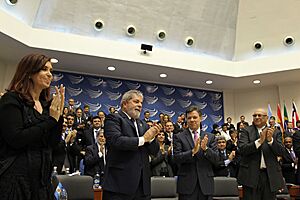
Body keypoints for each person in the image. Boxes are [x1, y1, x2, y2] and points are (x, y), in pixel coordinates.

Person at [0, 54, 65, 200]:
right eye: (44, 69)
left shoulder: (46, 105)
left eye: (51, 70)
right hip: (15, 182)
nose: (50, 74)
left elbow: (52, 143)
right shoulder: (11, 100)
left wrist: (58, 117)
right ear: (29, 72)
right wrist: (50, 120)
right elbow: (16, 138)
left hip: (41, 182)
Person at [102, 90, 162, 200]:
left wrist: (152, 139)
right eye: (136, 101)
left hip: (142, 187)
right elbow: (116, 141)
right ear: (125, 103)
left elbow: (154, 151)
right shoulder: (114, 118)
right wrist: (144, 139)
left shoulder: (143, 124)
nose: (140, 105)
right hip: (119, 186)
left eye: (141, 103)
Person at [173, 105, 219, 200]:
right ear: (186, 119)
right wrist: (192, 152)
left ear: (201, 118)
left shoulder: (210, 137)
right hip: (186, 185)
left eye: (195, 117)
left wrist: (205, 148)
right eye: (189, 118)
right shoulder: (179, 137)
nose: (192, 120)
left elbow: (216, 159)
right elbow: (176, 158)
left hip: (206, 185)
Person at [238, 108, 285, 200]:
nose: (257, 117)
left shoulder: (275, 132)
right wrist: (259, 141)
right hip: (250, 175)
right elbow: (242, 149)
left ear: (266, 118)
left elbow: (282, 152)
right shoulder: (246, 131)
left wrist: (271, 141)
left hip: (269, 176)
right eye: (255, 115)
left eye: (260, 115)